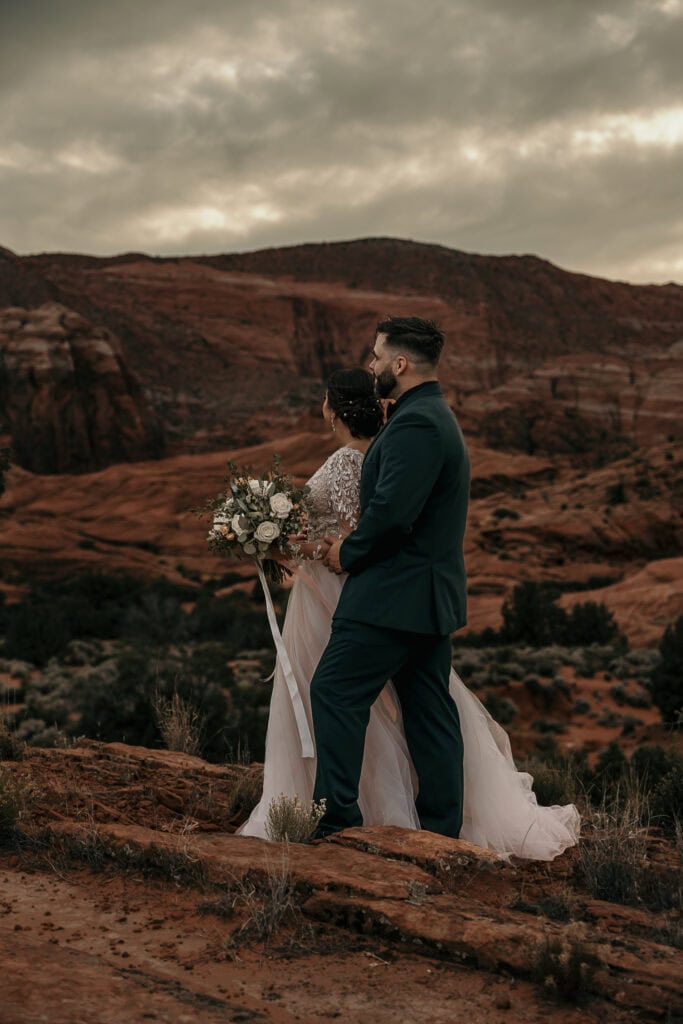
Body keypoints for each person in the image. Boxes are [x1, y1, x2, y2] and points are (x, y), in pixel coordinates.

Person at [240, 355, 580, 860]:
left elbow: (372, 530)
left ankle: (337, 820)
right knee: (428, 709)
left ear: (333, 408)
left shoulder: (379, 445)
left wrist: (275, 540)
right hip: (422, 599)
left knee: (335, 690)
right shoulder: (399, 440)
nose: (374, 360)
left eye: (379, 353)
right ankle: (441, 826)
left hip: (381, 598)